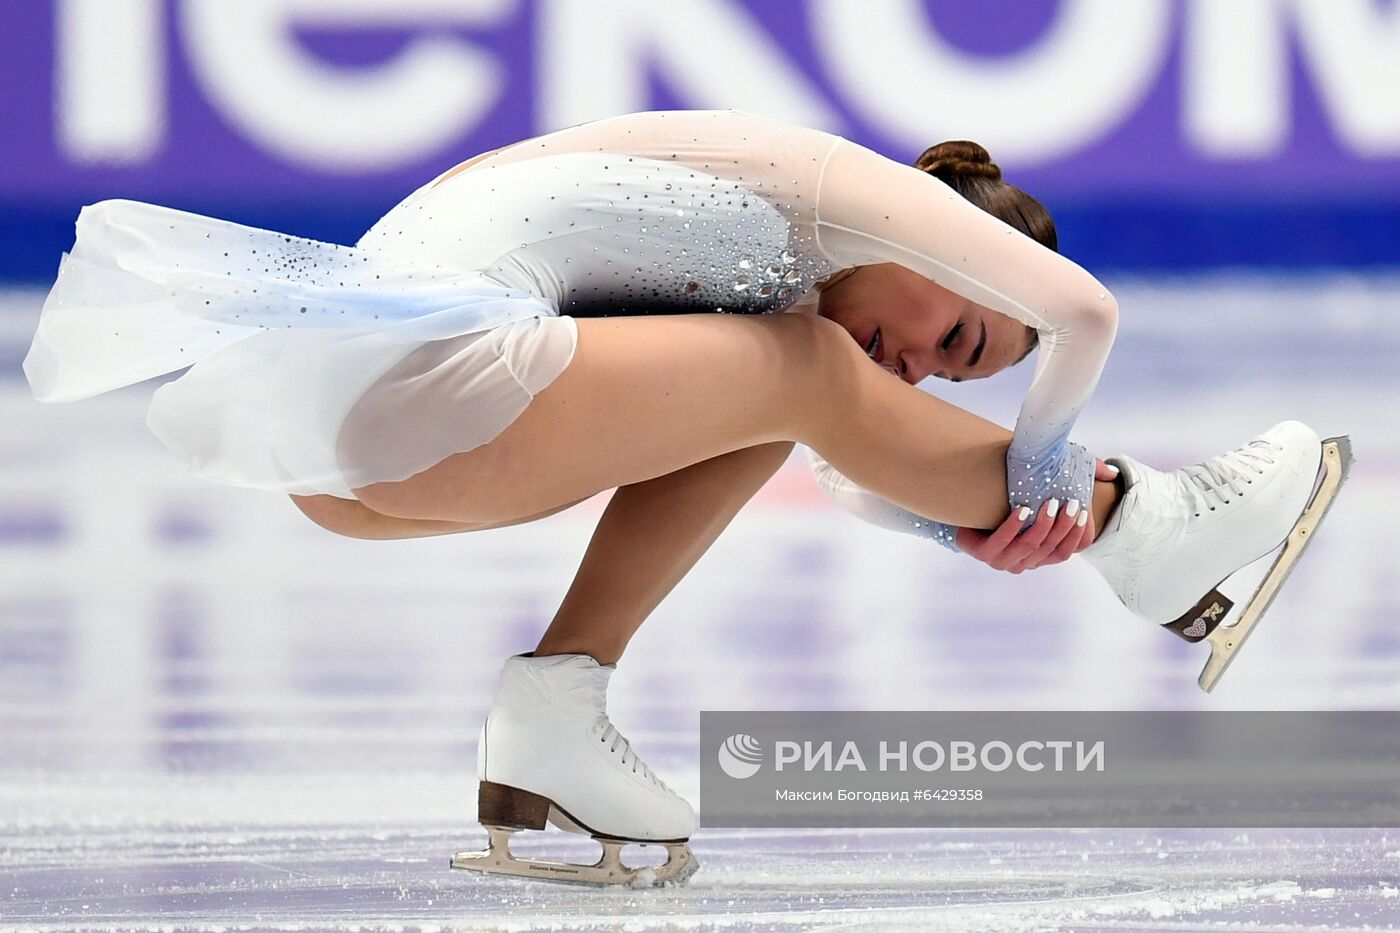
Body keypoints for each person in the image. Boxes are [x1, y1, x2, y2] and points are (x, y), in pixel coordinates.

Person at [22, 110, 1346, 887]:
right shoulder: (842, 190)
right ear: (965, 244)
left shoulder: (782, 284)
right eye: (958, 339)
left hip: (361, 452)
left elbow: (837, 465)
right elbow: (1084, 313)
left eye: (958, 374)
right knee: (804, 367)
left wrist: (974, 523)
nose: (929, 369)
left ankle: (551, 717)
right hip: (415, 385)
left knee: (777, 387)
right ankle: (1154, 531)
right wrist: (1062, 471)